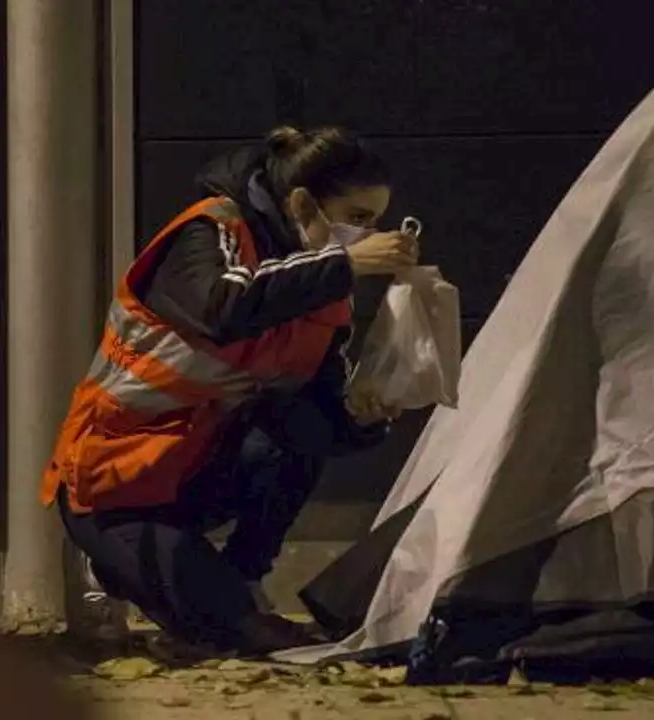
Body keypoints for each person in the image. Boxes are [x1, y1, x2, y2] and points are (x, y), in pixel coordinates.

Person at [40, 126, 421, 655]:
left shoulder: (322, 285)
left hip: (200, 471)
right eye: (357, 219)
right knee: (231, 631)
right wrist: (344, 264)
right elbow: (221, 308)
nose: (370, 236)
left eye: (375, 223)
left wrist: (361, 417)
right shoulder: (210, 230)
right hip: (117, 481)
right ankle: (106, 566)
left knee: (299, 426)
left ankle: (242, 577)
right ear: (303, 204)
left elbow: (316, 418)